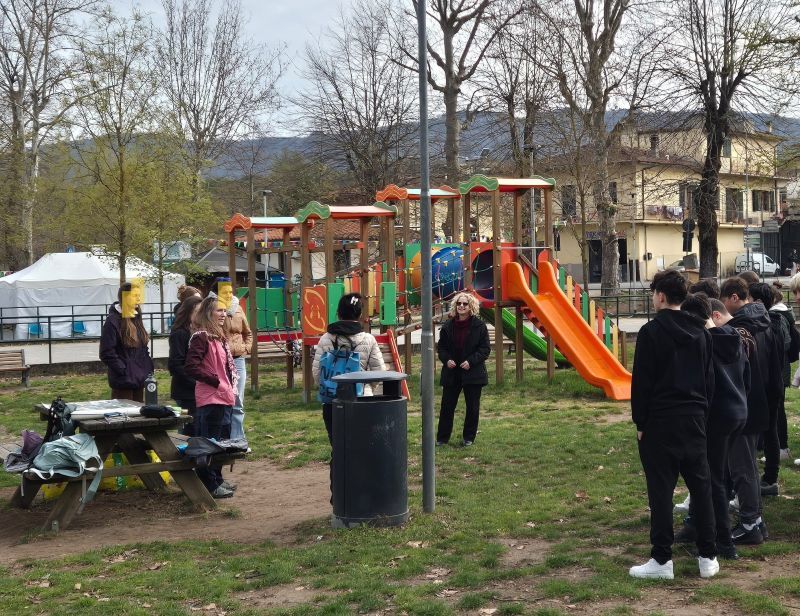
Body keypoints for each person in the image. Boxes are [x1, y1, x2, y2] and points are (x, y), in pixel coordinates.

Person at [629, 270, 719, 580]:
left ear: (661, 296)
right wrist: (702, 414)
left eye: (654, 293)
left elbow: (641, 383)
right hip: (694, 417)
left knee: (661, 491)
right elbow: (710, 381)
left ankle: (662, 559)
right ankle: (708, 556)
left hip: (660, 421)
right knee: (701, 488)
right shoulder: (703, 333)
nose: (653, 297)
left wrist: (640, 421)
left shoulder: (651, 332)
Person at [674, 295, 749, 560]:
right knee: (721, 476)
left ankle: (723, 542)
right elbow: (745, 376)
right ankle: (701, 527)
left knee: (713, 480)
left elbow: (702, 385)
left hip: (716, 417)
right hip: (738, 412)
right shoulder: (733, 337)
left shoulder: (703, 343)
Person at [720, 277, 782, 544]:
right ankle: (755, 520)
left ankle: (749, 523)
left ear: (734, 298)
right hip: (761, 404)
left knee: (742, 468)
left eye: (724, 302)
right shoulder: (766, 322)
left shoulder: (740, 329)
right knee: (750, 468)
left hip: (743, 406)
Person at [312, 293, 386, 444]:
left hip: (332, 401)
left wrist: (328, 385)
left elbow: (317, 373)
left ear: (338, 313)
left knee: (338, 448)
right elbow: (380, 372)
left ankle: (338, 468)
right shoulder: (368, 339)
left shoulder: (325, 338)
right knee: (362, 446)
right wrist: (367, 388)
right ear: (359, 314)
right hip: (362, 401)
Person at [184, 296, 238, 499]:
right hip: (212, 398)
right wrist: (213, 380)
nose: (223, 314)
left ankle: (218, 479)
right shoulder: (201, 337)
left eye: (225, 311)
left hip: (225, 396)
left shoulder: (219, 337)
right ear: (208, 313)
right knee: (210, 442)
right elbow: (191, 366)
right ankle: (209, 484)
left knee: (222, 443)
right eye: (219, 311)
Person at [749, 282, 789, 497]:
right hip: (775, 382)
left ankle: (768, 477)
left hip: (767, 384)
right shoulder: (774, 321)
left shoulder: (766, 323)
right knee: (770, 430)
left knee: (766, 431)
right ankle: (769, 476)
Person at [436, 292, 491, 448]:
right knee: (447, 406)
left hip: (472, 373)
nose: (461, 306)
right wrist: (447, 360)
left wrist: (471, 362)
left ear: (470, 306)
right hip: (452, 373)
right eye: (459, 303)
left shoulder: (479, 326)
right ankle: (442, 438)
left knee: (472, 407)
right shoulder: (447, 326)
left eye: (465, 304)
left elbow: (485, 349)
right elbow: (442, 348)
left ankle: (468, 437)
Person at [99, 282, 154, 402]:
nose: (138, 299)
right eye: (135, 296)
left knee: (140, 416)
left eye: (139, 296)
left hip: (139, 378)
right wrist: (123, 370)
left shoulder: (136, 318)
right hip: (123, 381)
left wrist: (147, 367)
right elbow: (106, 352)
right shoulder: (112, 321)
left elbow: (143, 348)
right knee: (125, 417)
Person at [217, 278, 252, 441]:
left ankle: (238, 439)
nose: (229, 294)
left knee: (238, 401)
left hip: (238, 359)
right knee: (222, 400)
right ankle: (223, 437)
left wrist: (246, 348)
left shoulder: (238, 308)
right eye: (225, 292)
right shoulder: (212, 310)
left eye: (231, 291)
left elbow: (247, 332)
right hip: (219, 360)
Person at [168, 294, 203, 436]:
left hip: (199, 387)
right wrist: (196, 382)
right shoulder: (179, 334)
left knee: (199, 425)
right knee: (190, 427)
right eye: (197, 312)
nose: (200, 315)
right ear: (189, 312)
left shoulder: (200, 332)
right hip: (187, 389)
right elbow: (176, 365)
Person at [770, 284, 794, 462]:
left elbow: (785, 343)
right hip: (781, 369)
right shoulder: (784, 314)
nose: (797, 296)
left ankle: (783, 448)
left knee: (778, 411)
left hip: (779, 370)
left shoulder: (778, 316)